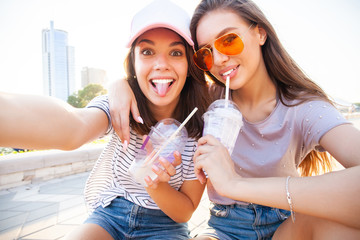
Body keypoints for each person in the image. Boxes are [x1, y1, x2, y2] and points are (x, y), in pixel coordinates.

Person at [107, 0, 360, 239]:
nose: (218, 60)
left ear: (260, 33)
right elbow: (159, 87)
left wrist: (233, 184)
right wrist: (119, 85)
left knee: (341, 228)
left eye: (229, 40)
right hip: (225, 227)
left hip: (288, 225)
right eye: (205, 53)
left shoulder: (304, 109)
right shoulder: (205, 99)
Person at [0, 0, 211, 239]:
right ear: (133, 61)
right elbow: (74, 126)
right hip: (111, 215)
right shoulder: (120, 105)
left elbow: (184, 212)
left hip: (166, 226)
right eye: (147, 51)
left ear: (189, 63)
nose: (161, 64)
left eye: (175, 52)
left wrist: (154, 182)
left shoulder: (199, 129)